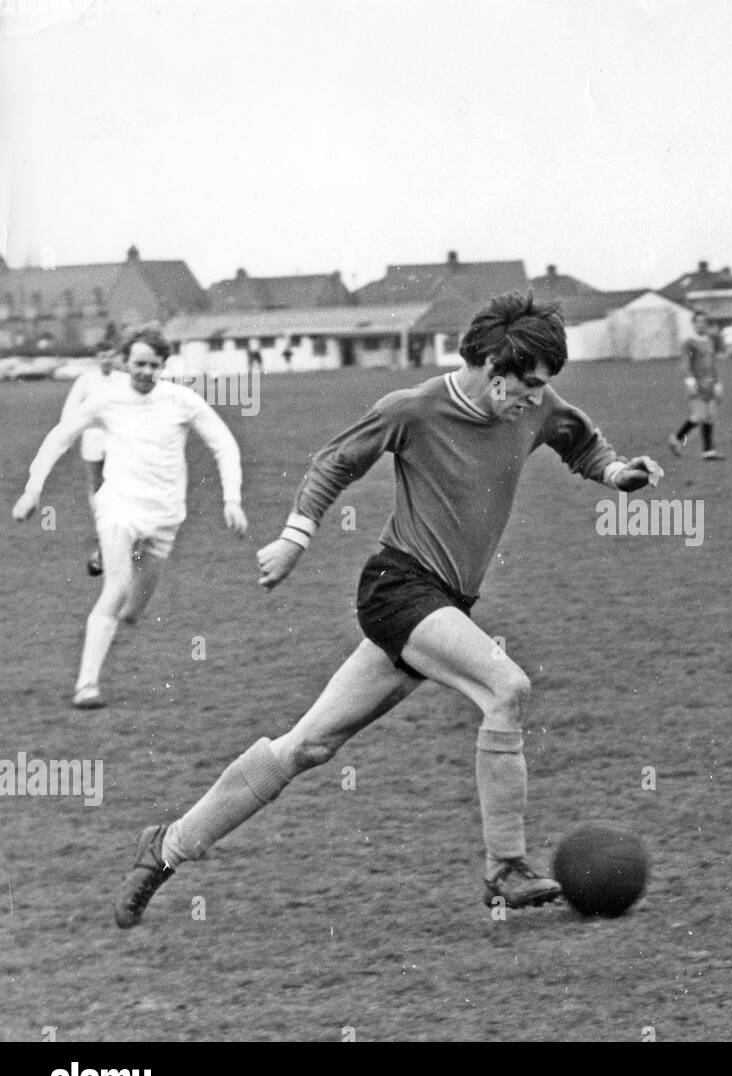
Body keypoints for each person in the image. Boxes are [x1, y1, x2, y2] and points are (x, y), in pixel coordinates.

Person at [110, 292, 665, 928]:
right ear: (491, 366)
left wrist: (617, 473)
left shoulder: (535, 406)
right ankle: (505, 867)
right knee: (507, 687)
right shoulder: (415, 409)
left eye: (543, 387)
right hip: (398, 589)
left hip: (442, 603)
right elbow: (332, 462)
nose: (536, 399)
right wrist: (295, 537)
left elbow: (578, 441)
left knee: (306, 746)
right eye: (528, 386)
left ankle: (167, 846)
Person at [12, 330, 247, 708]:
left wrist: (232, 499)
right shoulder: (106, 401)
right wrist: (33, 488)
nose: (146, 371)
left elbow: (224, 444)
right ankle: (86, 686)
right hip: (119, 506)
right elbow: (59, 437)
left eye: (154, 365)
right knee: (116, 587)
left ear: (163, 366)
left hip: (165, 515)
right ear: (125, 361)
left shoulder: (181, 400)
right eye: (139, 363)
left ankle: (112, 558)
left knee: (133, 613)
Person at [59, 339, 124, 576]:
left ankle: (117, 535)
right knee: (97, 486)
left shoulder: (123, 380)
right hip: (93, 440)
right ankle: (103, 530)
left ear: (115, 356)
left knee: (119, 486)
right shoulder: (85, 381)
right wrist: (68, 433)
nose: (106, 359)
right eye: (102, 355)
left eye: (110, 355)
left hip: (118, 440)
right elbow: (70, 410)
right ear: (97, 358)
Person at [669, 311, 725, 460]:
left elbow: (712, 364)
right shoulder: (689, 343)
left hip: (710, 384)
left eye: (704, 322)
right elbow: (686, 363)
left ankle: (708, 451)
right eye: (698, 321)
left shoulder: (710, 341)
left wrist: (718, 383)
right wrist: (690, 381)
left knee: (710, 417)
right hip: (697, 384)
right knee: (699, 415)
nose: (701, 324)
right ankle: (676, 438)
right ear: (694, 324)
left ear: (707, 324)